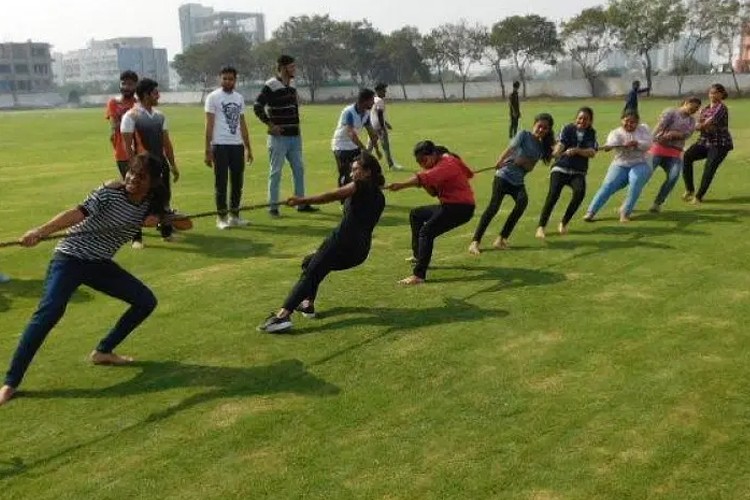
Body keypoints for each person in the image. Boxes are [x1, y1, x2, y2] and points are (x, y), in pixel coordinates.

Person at [0, 153, 193, 406]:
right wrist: (40, 231)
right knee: (49, 313)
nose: (132, 178)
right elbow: (76, 214)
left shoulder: (152, 202)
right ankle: (11, 382)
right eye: (131, 172)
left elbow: (187, 224)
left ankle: (103, 352)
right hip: (70, 258)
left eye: (141, 176)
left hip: (99, 264)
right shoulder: (109, 192)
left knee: (145, 301)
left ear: (154, 182)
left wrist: (162, 219)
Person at [258, 152, 386, 333]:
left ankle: (282, 316)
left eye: (356, 170)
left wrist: (302, 200)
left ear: (368, 172)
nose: (352, 174)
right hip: (359, 252)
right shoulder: (380, 196)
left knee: (311, 273)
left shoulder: (359, 186)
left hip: (340, 243)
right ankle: (308, 304)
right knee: (310, 263)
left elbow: (332, 195)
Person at [387, 141, 476, 285]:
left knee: (426, 232)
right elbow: (434, 192)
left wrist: (401, 185)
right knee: (416, 214)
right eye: (419, 162)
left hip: (460, 208)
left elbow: (423, 178)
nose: (423, 165)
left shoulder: (446, 164)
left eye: (424, 160)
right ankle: (418, 255)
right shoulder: (442, 163)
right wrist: (425, 183)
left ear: (434, 154)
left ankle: (419, 275)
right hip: (449, 205)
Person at [469, 113, 555, 254]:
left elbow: (530, 167)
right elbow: (511, 149)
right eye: (540, 126)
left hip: (518, 181)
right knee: (493, 208)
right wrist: (500, 160)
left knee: (522, 202)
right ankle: (475, 242)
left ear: (548, 131)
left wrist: (521, 161)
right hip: (503, 176)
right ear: (534, 124)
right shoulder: (523, 135)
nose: (541, 130)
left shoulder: (540, 147)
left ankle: (501, 239)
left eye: (545, 128)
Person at [253, 55, 317, 217]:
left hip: (295, 136)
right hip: (279, 138)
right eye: (291, 67)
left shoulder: (292, 84)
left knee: (299, 169)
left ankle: (301, 203)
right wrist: (270, 125)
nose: (294, 69)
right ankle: (273, 207)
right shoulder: (271, 85)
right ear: (282, 68)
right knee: (276, 172)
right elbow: (257, 106)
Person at [121, 78, 181, 242]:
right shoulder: (130, 116)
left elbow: (166, 143)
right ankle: (136, 238)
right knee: (138, 202)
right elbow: (128, 146)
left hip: (160, 165)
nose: (158, 96)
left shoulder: (160, 116)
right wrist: (135, 170)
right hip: (143, 168)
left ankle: (166, 232)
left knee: (163, 199)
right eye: (155, 93)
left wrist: (172, 165)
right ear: (146, 95)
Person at [204, 65, 254, 229]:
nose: (227, 81)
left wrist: (248, 147)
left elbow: (242, 123)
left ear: (235, 80)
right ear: (220, 79)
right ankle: (221, 218)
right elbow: (209, 124)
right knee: (221, 182)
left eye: (230, 79)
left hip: (237, 145)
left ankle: (234, 215)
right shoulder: (213, 97)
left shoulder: (239, 98)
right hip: (220, 145)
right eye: (224, 78)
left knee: (237, 182)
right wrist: (208, 149)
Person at [536, 107, 598, 238]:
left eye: (586, 119)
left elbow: (592, 152)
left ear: (590, 121)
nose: (582, 121)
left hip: (578, 172)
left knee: (579, 193)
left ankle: (563, 223)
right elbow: (561, 143)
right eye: (580, 118)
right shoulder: (567, 128)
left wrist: (577, 151)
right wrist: (557, 152)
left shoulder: (591, 133)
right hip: (561, 168)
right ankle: (541, 227)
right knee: (553, 195)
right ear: (576, 118)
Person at [584, 109, 653, 223]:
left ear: (637, 122)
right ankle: (591, 212)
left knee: (635, 182)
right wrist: (609, 146)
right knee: (608, 185)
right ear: (621, 120)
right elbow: (611, 144)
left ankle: (625, 213)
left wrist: (637, 143)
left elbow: (648, 144)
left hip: (640, 163)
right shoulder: (616, 133)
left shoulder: (643, 129)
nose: (629, 124)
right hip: (620, 163)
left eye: (633, 122)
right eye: (626, 121)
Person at [106, 70, 142, 247]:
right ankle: (136, 236)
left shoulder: (139, 103)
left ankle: (161, 222)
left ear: (136, 86)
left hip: (141, 152)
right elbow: (114, 126)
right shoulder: (114, 103)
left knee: (147, 189)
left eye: (130, 84)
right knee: (132, 192)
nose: (127, 87)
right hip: (123, 153)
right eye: (124, 83)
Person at [682, 83, 733, 204]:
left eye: (715, 92)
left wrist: (699, 126)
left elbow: (705, 124)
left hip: (719, 144)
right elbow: (700, 123)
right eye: (711, 92)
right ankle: (690, 189)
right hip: (705, 142)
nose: (712, 95)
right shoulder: (705, 108)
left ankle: (698, 197)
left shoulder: (721, 108)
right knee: (687, 156)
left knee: (709, 168)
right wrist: (700, 126)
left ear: (721, 94)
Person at [648, 96, 701, 212]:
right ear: (686, 102)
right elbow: (660, 125)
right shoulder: (671, 112)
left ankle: (657, 203)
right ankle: (628, 202)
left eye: (696, 109)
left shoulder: (691, 121)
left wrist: (674, 134)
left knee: (673, 176)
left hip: (674, 152)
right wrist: (651, 139)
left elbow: (687, 134)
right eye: (693, 107)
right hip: (658, 148)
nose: (694, 110)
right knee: (645, 175)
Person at [331, 88, 381, 188]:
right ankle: (343, 198)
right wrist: (363, 148)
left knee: (361, 170)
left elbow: (371, 133)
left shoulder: (366, 113)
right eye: (372, 100)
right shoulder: (349, 112)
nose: (373, 103)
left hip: (353, 146)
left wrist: (377, 149)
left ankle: (360, 195)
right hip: (341, 146)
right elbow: (351, 134)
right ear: (364, 101)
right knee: (345, 173)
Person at [368, 82, 403, 171]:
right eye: (384, 91)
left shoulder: (374, 99)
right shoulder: (380, 101)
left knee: (370, 147)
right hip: (379, 127)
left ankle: (362, 163)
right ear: (378, 91)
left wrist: (386, 123)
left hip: (372, 126)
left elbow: (376, 114)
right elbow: (379, 114)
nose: (385, 92)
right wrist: (383, 127)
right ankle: (391, 165)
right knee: (386, 147)